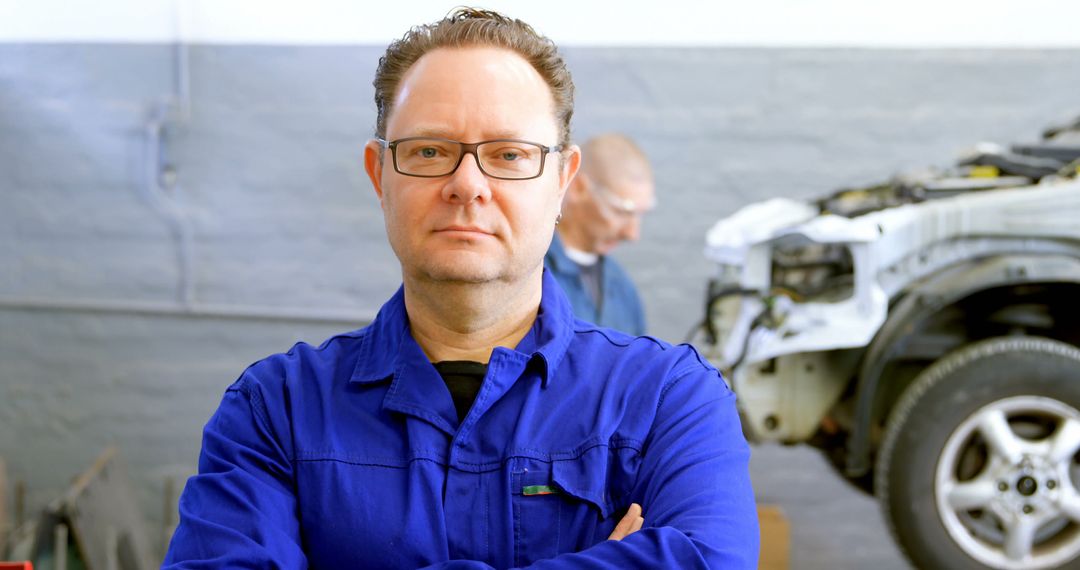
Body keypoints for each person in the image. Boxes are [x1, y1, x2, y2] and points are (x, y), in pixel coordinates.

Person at [164, 8, 757, 569]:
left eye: (508, 154)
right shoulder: (277, 411)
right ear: (380, 176)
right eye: (429, 151)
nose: (467, 185)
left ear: (561, 182)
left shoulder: (669, 403)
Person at [546, 134, 655, 335]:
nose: (632, 234)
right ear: (578, 188)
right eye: (622, 212)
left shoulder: (623, 288)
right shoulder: (529, 274)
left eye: (639, 215)